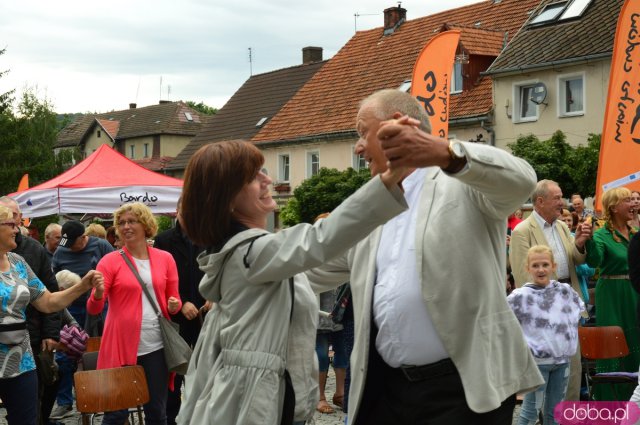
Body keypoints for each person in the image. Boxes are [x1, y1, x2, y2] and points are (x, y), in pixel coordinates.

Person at [306, 89, 543, 425]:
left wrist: (447, 153)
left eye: (362, 133)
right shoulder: (372, 204)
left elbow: (521, 180)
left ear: (399, 126)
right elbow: (312, 264)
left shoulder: (461, 182)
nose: (357, 147)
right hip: (388, 390)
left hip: (463, 391)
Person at [176, 139, 408, 425]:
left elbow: (330, 263)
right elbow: (320, 240)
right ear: (227, 198)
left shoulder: (261, 260)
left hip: (273, 403)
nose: (267, 179)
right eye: (253, 177)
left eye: (263, 171)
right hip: (253, 408)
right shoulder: (251, 254)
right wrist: (390, 180)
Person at [0, 205, 103, 425]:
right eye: (11, 224)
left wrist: (82, 286)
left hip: (21, 359)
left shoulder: (18, 263)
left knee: (27, 420)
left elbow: (47, 302)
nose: (17, 230)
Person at [87, 202, 181, 425]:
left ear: (146, 225)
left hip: (156, 345)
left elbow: (173, 301)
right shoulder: (109, 261)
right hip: (119, 345)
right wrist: (98, 294)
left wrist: (174, 304)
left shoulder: (165, 258)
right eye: (121, 223)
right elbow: (94, 309)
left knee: (157, 413)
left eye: (132, 221)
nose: (126, 226)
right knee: (116, 414)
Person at [509, 180, 591, 401]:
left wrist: (580, 244)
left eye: (562, 197)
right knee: (547, 374)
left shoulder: (562, 226)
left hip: (567, 304)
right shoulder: (522, 231)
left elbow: (575, 260)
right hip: (544, 314)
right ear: (540, 201)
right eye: (557, 198)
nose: (562, 202)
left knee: (572, 369)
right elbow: (522, 275)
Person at [0, 196, 62, 425]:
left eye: (18, 217)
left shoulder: (26, 254)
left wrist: (51, 332)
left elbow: (48, 296)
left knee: (30, 413)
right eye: (12, 220)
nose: (19, 225)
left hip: (26, 343)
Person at [508, 245, 585, 425]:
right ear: (527, 268)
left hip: (562, 362)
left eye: (545, 264)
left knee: (555, 413)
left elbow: (577, 314)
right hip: (537, 365)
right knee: (530, 412)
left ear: (553, 266)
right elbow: (505, 326)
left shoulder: (565, 291)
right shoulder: (519, 297)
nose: (541, 269)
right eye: (535, 265)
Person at [50, 219, 114, 419]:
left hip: (99, 308)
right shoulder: (61, 249)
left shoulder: (101, 245)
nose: (68, 248)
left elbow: (114, 270)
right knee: (65, 355)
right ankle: (64, 401)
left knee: (100, 351)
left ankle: (104, 396)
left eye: (72, 243)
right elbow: (53, 279)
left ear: (83, 237)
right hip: (70, 309)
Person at [153, 198, 209, 425]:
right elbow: (160, 280)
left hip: (207, 313)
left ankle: (203, 416)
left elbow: (218, 272)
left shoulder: (209, 237)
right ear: (177, 212)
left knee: (206, 369)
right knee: (175, 370)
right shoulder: (164, 240)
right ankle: (172, 418)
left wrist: (213, 297)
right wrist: (182, 301)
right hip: (176, 314)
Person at [585, 187, 639, 400]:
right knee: (612, 345)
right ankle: (609, 404)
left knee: (635, 341)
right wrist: (588, 240)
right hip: (611, 295)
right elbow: (595, 261)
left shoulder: (635, 233)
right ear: (614, 207)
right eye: (627, 200)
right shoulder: (602, 235)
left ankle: (634, 402)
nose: (633, 204)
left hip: (634, 293)